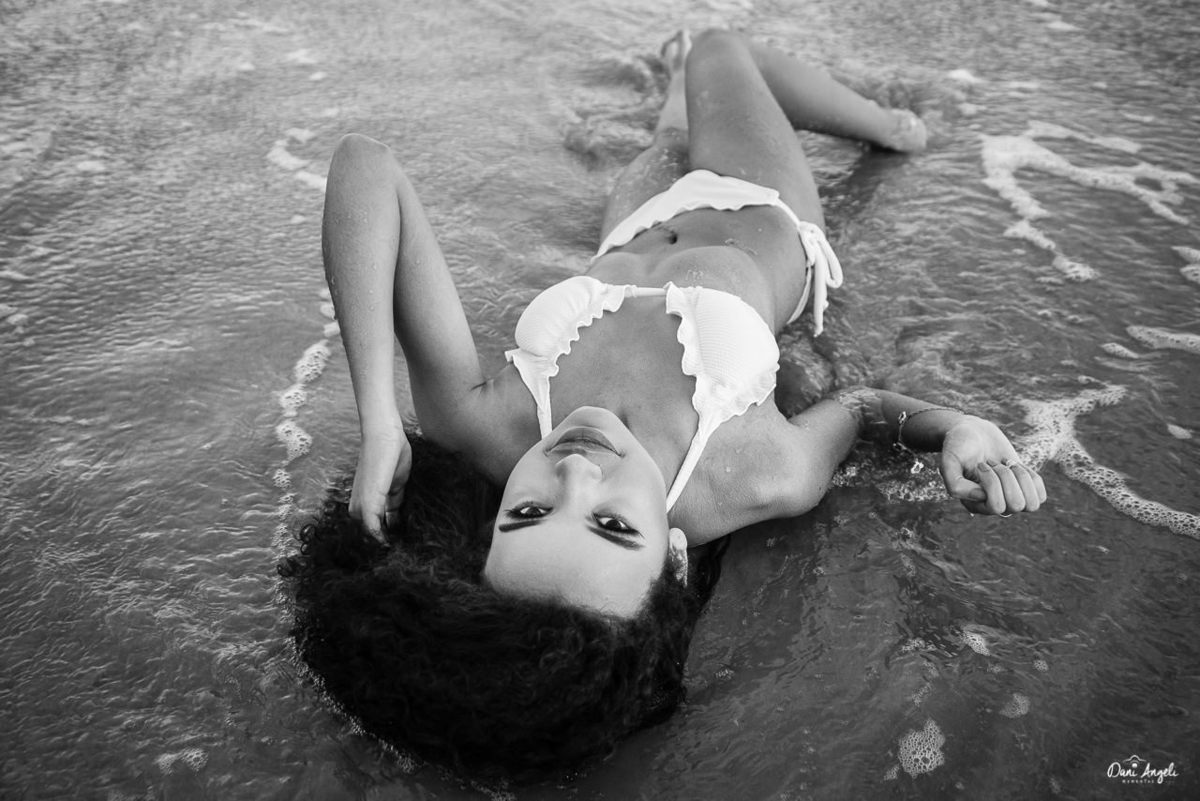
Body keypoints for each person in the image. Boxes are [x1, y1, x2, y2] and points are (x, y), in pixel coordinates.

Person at [283, 28, 1046, 779]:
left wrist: (379, 418)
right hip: (761, 202)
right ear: (674, 557)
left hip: (636, 211)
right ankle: (895, 130)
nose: (575, 473)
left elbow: (366, 165)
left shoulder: (480, 422)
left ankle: (683, 81)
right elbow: (865, 409)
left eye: (530, 511)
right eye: (613, 525)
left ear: (490, 527)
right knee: (718, 48)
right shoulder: (757, 473)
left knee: (679, 126)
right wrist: (956, 426)